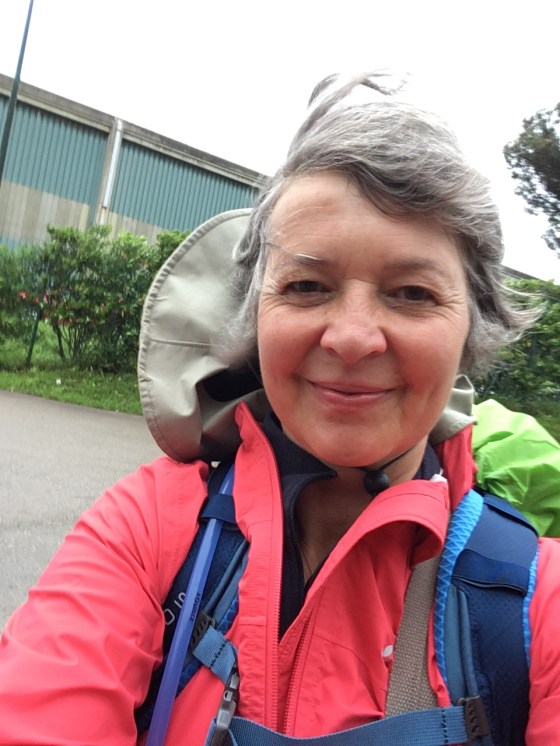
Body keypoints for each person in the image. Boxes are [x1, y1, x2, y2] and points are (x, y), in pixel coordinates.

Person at [1, 72, 559, 745]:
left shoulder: (536, 602)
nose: (351, 338)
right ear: (253, 317)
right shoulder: (149, 531)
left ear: (473, 328)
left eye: (412, 293)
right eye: (307, 285)